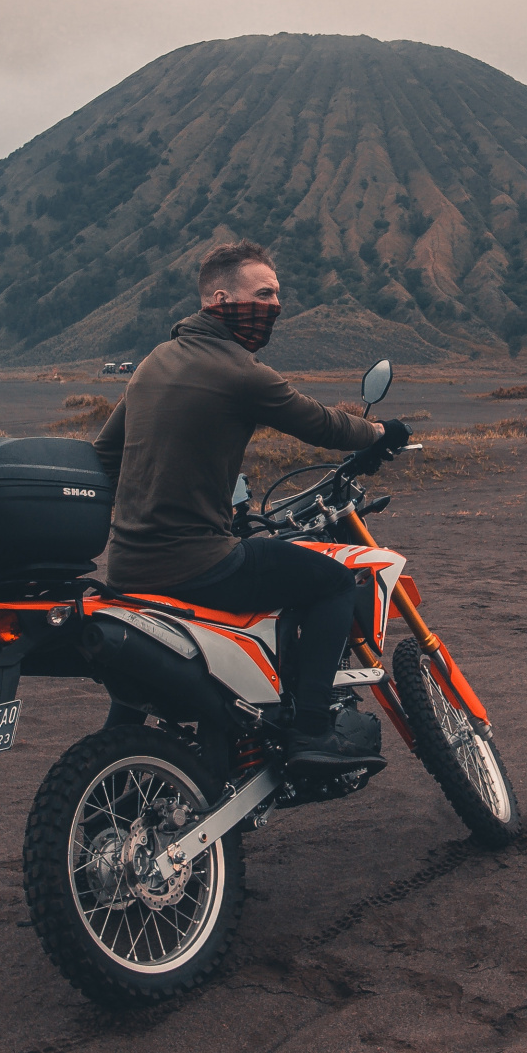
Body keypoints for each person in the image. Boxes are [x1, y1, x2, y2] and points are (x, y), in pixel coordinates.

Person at [94, 240, 407, 772]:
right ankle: (311, 731)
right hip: (196, 564)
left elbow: (105, 454)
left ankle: (114, 750)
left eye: (278, 296)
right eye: (263, 294)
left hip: (127, 566)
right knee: (333, 583)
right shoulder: (238, 370)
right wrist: (380, 432)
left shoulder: (153, 363)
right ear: (220, 298)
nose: (274, 307)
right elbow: (321, 423)